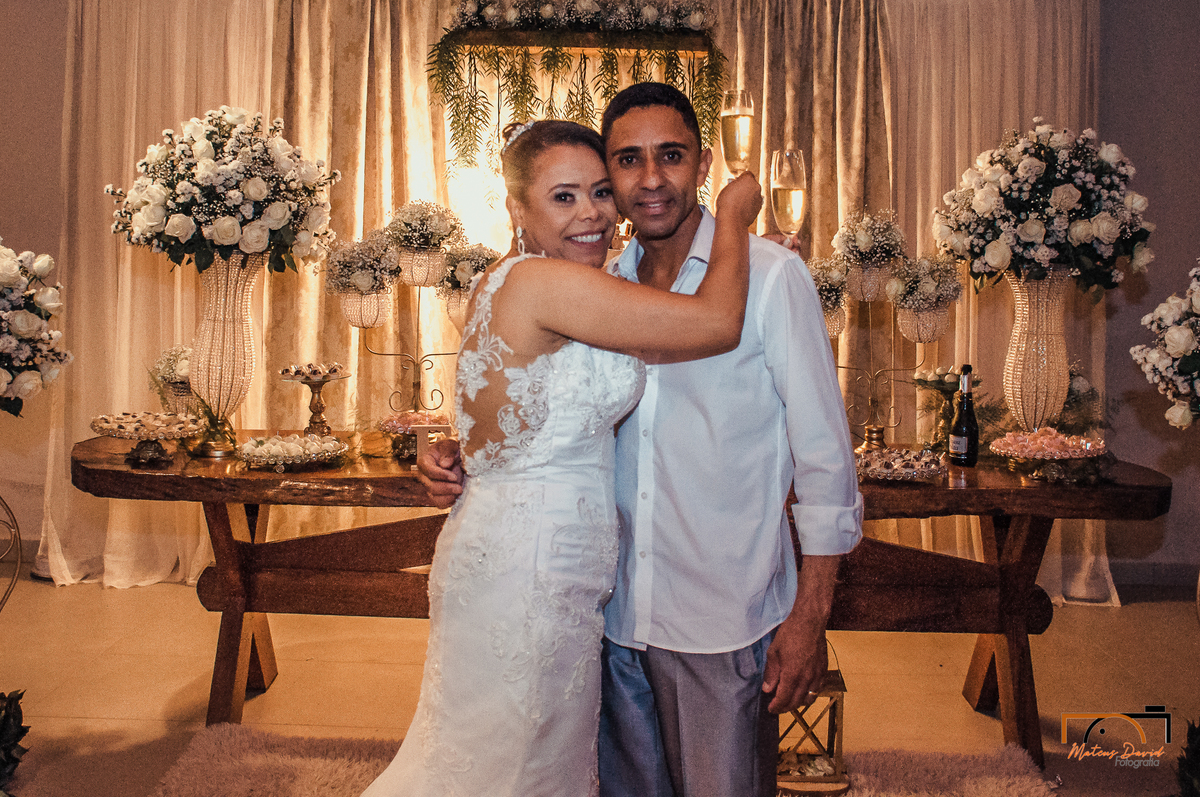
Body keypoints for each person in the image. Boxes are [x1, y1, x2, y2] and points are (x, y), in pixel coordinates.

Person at [419, 84, 863, 797]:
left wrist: (810, 615)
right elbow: (524, 403)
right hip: (609, 614)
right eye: (627, 161)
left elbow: (825, 462)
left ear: (705, 162)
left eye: (671, 156)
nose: (649, 178)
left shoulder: (774, 278)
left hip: (719, 616)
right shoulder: (595, 279)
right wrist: (458, 452)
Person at [362, 120, 763, 796]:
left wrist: (460, 453)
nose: (592, 214)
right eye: (564, 197)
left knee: (525, 760)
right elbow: (716, 322)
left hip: (542, 563)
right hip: (530, 573)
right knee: (507, 766)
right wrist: (733, 217)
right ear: (518, 210)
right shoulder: (543, 282)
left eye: (601, 192)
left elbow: (510, 407)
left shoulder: (531, 283)